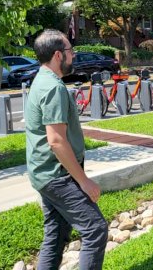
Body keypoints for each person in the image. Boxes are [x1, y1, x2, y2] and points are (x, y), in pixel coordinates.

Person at [25, 30, 108, 270]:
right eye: (71, 51)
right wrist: (84, 182)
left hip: (43, 173)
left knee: (57, 233)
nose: (74, 56)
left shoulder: (41, 79)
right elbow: (56, 141)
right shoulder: (52, 88)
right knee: (95, 229)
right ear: (58, 55)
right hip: (57, 176)